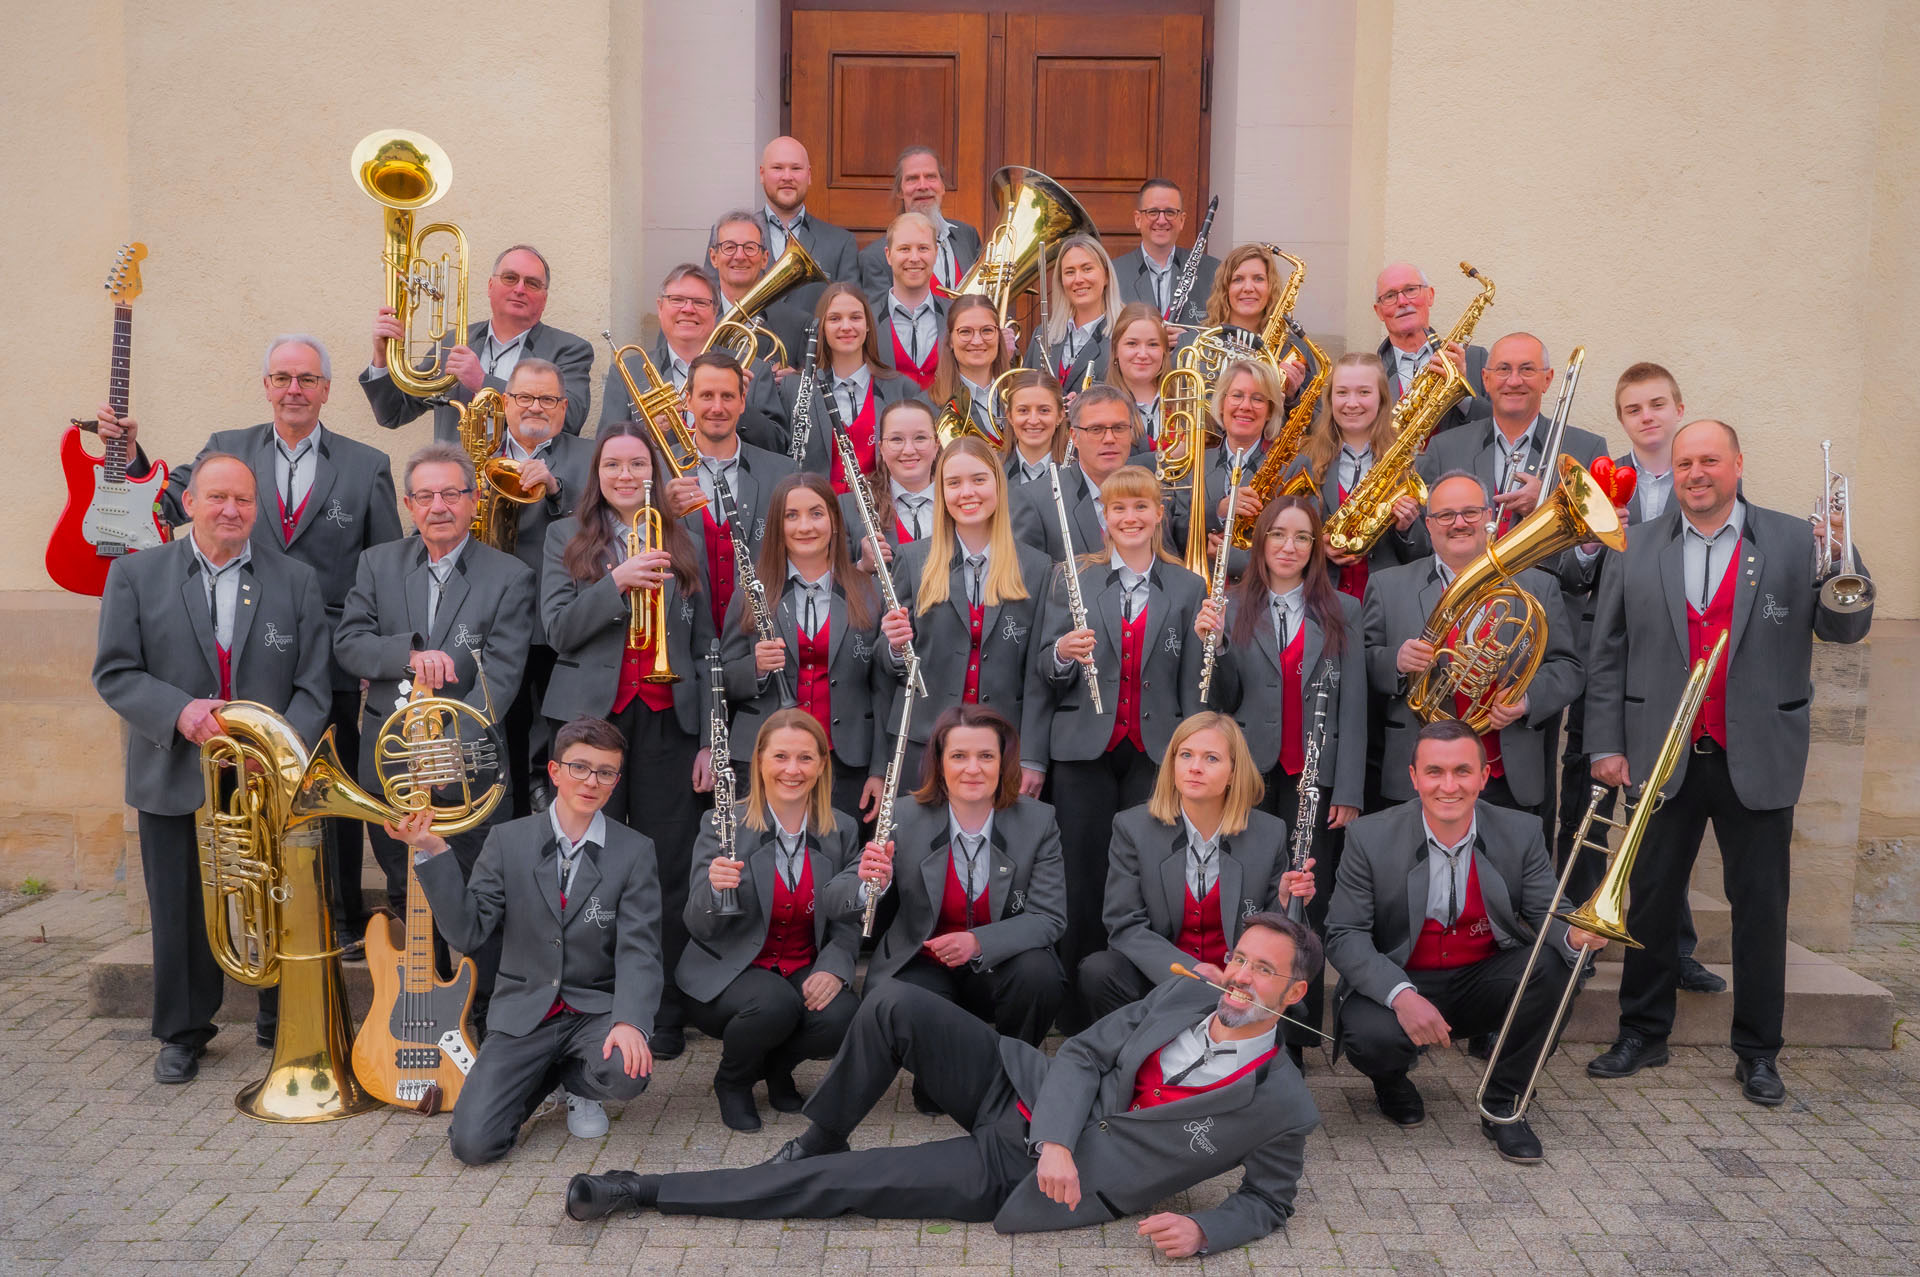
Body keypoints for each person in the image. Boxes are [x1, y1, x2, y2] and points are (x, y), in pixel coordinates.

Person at [566, 914, 1324, 1263]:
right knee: (894, 1001)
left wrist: (1204, 1233)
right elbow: (1086, 1053)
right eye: (1238, 957)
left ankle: (644, 1189)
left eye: (1261, 969)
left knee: (839, 1185)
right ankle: (825, 1123)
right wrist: (1057, 1130)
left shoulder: (1284, 1103)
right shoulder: (1186, 993)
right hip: (1024, 1092)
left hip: (1034, 1175)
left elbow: (1270, 1199)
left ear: (1294, 989)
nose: (1238, 975)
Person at [1584, 419, 1873, 1105]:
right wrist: (1606, 744)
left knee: (1762, 908)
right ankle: (1642, 1033)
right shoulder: (1638, 540)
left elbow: (1846, 626)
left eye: (1710, 459)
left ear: (1738, 464)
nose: (1696, 473)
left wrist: (1842, 554)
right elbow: (1608, 652)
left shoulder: (1792, 539)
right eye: (1685, 462)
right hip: (1661, 753)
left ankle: (1758, 1051)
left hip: (1759, 754)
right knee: (1649, 901)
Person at [100, 334, 401, 953]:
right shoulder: (227, 449)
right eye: (283, 377)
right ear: (266, 385)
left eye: (308, 379)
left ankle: (339, 916)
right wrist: (131, 458)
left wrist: (377, 649)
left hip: (327, 660)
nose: (295, 389)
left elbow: (383, 564)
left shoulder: (366, 463)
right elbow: (165, 498)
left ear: (325, 390)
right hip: (236, 653)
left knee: (326, 794)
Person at [92, 455, 332, 1081]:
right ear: (190, 502)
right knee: (178, 908)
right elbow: (115, 673)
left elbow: (314, 687)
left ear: (257, 508)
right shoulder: (136, 575)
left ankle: (281, 1020)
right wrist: (180, 712)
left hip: (266, 776)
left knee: (276, 895)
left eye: (244, 501)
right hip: (174, 767)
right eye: (218, 498)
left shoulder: (297, 580)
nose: (231, 511)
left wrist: (277, 752)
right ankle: (182, 1031)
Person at [1326, 719, 1608, 1163]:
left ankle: (1504, 1103)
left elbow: (1545, 909)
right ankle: (1392, 1081)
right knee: (1369, 1036)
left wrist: (1574, 934)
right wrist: (1401, 996)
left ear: (1484, 774)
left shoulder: (1521, 830)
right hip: (1403, 977)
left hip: (1483, 978)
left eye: (1462, 771)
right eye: (1434, 772)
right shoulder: (1369, 836)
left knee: (1553, 966)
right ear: (1414, 777)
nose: (1448, 785)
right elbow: (1344, 934)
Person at [384, 716, 661, 1162]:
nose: (591, 781)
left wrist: (630, 1021)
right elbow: (468, 931)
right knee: (474, 1146)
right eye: (580, 767)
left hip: (593, 1009)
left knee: (627, 1073)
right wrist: (433, 852)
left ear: (615, 781)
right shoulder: (507, 840)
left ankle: (577, 1081)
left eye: (605, 772)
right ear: (554, 772)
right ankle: (540, 1077)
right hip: (524, 1011)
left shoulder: (634, 850)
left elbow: (640, 949)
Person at [335, 442, 537, 1038]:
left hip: (466, 770)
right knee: (407, 887)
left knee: (476, 895)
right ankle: (426, 1013)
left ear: (474, 503)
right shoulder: (376, 563)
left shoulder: (511, 576)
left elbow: (501, 677)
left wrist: (445, 750)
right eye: (426, 495)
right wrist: (407, 654)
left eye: (452, 493)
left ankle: (484, 1018)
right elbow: (348, 644)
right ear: (408, 504)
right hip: (389, 769)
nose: (439, 506)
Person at [542, 421, 715, 1061]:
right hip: (594, 724)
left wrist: (705, 735)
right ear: (597, 474)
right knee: (589, 869)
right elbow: (557, 629)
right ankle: (591, 1007)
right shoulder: (567, 537)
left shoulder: (683, 536)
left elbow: (704, 642)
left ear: (655, 473)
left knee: (666, 868)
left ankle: (661, 1011)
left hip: (669, 716)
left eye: (637, 464)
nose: (625, 475)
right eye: (612, 464)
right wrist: (615, 583)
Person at [1026, 465, 1207, 1004]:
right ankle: (1075, 992)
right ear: (1103, 519)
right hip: (1083, 747)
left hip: (1156, 752)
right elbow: (1041, 670)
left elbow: (1195, 684)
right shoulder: (1069, 578)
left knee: (1145, 872)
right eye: (1117, 509)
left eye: (1140, 507)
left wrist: (1212, 647)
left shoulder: (1187, 585)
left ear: (1159, 516)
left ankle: (1130, 988)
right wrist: (1062, 653)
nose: (1129, 517)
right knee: (1082, 870)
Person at [1197, 497, 1367, 1051]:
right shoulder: (1230, 605)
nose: (1289, 547)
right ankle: (1237, 1016)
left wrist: (1349, 789)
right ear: (1260, 542)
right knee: (1249, 890)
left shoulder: (1342, 608)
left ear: (1316, 546)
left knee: (1304, 897)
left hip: (1314, 777)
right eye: (1277, 535)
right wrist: (1215, 646)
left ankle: (1295, 1030)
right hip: (1249, 772)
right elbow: (1216, 702)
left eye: (1301, 537)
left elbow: (1354, 704)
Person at [836, 705, 1068, 1049]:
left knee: (1040, 973)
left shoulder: (1038, 820)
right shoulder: (902, 815)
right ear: (939, 763)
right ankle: (936, 1072)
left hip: (998, 966)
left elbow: (1049, 918)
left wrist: (978, 942)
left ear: (1003, 763)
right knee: (932, 1088)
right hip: (922, 963)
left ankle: (1015, 1066)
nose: (973, 769)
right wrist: (868, 885)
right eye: (959, 756)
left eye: (986, 756)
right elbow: (835, 897)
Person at [1361, 471, 1582, 828]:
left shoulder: (1538, 585)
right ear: (1428, 525)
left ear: (1490, 519)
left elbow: (1568, 668)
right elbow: (1362, 663)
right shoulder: (1388, 586)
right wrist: (1396, 662)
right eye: (1446, 515)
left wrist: (1526, 700)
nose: (1458, 524)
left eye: (1471, 513)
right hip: (1417, 777)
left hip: (1507, 775)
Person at [680, 710, 862, 1131]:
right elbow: (697, 924)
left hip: (798, 964)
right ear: (759, 761)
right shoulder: (721, 823)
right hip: (729, 971)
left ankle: (777, 1068)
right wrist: (711, 889)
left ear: (821, 765)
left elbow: (845, 919)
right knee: (774, 1003)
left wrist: (835, 968)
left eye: (805, 758)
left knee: (842, 1015)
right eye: (780, 757)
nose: (792, 770)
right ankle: (733, 1081)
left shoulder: (842, 829)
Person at [1082, 713, 1312, 1021]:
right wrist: (1189, 971)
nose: (1194, 767)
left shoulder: (1269, 833)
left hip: (1239, 987)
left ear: (1233, 772)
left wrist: (1285, 903)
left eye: (1212, 758)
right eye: (1185, 754)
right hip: (1161, 979)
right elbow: (1124, 926)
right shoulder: (1132, 828)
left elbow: (1274, 938)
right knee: (1100, 971)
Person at [877, 436, 1055, 788]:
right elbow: (884, 666)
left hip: (1003, 744)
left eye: (978, 479)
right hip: (922, 742)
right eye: (953, 483)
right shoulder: (912, 561)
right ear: (940, 492)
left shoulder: (1037, 567)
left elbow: (1037, 674)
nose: (967, 492)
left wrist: (1032, 756)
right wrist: (894, 646)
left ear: (998, 485)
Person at [720, 472, 885, 823]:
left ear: (835, 522)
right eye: (790, 516)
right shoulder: (751, 590)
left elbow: (883, 687)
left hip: (846, 759)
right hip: (765, 761)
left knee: (837, 860)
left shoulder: (869, 591)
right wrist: (756, 668)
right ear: (777, 527)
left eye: (816, 513)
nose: (804, 526)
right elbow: (722, 679)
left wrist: (879, 768)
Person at [488, 358, 595, 816]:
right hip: (497, 623)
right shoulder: (479, 449)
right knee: (502, 738)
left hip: (566, 621)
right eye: (524, 397)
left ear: (564, 407)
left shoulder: (590, 456)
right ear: (505, 403)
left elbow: (602, 524)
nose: (536, 407)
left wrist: (557, 491)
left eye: (548, 399)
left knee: (566, 736)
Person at [361, 243, 594, 441]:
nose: (520, 289)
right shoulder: (452, 342)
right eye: (510, 278)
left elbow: (570, 419)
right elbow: (393, 413)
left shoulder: (569, 350)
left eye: (532, 283)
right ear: (490, 287)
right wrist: (382, 357)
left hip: (527, 488)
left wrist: (483, 382)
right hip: (456, 489)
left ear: (544, 297)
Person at [1416, 332, 1607, 540]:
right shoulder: (1445, 448)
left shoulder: (1587, 450)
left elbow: (1592, 555)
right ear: (1485, 380)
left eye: (1527, 370)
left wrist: (1549, 507)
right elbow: (1426, 543)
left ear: (1547, 379)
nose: (1514, 381)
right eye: (1503, 369)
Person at [662, 350, 799, 630]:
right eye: (706, 396)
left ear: (742, 403)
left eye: (727, 396)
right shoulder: (657, 470)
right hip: (679, 634)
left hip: (759, 637)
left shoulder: (783, 473)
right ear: (687, 401)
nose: (717, 407)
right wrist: (664, 513)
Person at [599, 264, 788, 453]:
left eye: (700, 302)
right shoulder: (626, 372)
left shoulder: (754, 369)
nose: (688, 309)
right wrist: (650, 433)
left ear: (715, 312)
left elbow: (778, 447)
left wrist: (738, 404)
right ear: (660, 307)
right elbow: (605, 452)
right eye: (677, 300)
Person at [1291, 351, 1422, 601]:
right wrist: (1318, 546)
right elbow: (1283, 532)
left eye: (1364, 392)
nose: (1352, 403)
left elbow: (1426, 551)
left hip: (1386, 605)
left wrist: (1407, 529)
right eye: (1342, 392)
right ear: (1329, 399)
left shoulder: (1410, 459)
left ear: (1382, 399)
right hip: (1318, 601)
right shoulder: (1303, 456)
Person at [781, 281, 921, 484]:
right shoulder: (795, 389)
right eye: (835, 318)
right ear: (822, 328)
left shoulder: (902, 389)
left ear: (867, 326)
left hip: (884, 511)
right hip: (821, 511)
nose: (846, 327)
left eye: (855, 317)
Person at [1010, 385, 1140, 562]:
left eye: (1119, 428)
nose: (1109, 439)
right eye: (1096, 429)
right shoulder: (1037, 500)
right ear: (1074, 437)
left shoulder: (1152, 491)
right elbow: (1028, 580)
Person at [1370, 261, 1486, 432]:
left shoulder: (1477, 359)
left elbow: (1500, 425)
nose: (1402, 301)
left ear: (1430, 295)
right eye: (1390, 296)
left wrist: (1460, 393)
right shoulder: (1367, 373)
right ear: (1378, 311)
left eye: (1410, 290)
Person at [857, 145, 983, 295]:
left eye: (931, 176)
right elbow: (881, 317)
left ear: (942, 187)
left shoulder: (967, 235)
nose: (923, 186)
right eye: (912, 179)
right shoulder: (874, 257)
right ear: (900, 191)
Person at [1196, 245, 1307, 400]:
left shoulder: (1294, 349)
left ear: (1271, 287)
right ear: (1225, 289)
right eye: (1238, 279)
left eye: (1258, 279)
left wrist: (1293, 395)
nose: (1248, 288)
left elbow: (1318, 418)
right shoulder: (1195, 345)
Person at [706, 208, 809, 370]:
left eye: (750, 247)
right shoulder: (690, 317)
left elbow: (811, 389)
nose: (739, 256)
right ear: (714, 257)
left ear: (764, 259)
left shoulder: (797, 324)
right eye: (729, 247)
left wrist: (792, 382)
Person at [848, 398, 940, 569]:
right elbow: (834, 584)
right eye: (897, 439)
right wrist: (863, 566)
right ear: (881, 448)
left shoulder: (959, 501)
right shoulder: (849, 506)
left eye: (920, 438)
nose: (909, 450)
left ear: (936, 444)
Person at [1112, 178, 1219, 324]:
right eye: (1153, 212)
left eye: (1170, 212)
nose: (1161, 220)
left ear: (1182, 220)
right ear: (1138, 219)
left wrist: (1184, 337)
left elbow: (1223, 329)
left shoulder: (1214, 271)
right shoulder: (1113, 273)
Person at [1022, 234, 1121, 390]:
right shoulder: (1042, 334)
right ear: (1061, 281)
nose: (1078, 279)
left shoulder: (1124, 335)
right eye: (1069, 272)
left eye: (1087, 269)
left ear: (1106, 275)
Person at [759, 135, 860, 285]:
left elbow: (848, 305)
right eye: (777, 168)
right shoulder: (729, 237)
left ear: (809, 175)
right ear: (762, 174)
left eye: (796, 168)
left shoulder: (841, 243)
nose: (787, 176)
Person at [868, 212, 949, 391]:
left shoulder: (955, 316)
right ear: (888, 255)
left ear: (935, 253)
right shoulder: (866, 319)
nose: (914, 258)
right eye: (904, 249)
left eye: (923, 248)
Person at [929, 294, 1012, 443]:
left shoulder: (1020, 396)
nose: (977, 341)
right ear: (950, 341)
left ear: (999, 337)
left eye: (987, 330)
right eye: (965, 332)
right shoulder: (928, 407)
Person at [1104, 302, 1173, 448]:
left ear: (1165, 351)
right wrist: (1170, 458)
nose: (1142, 354)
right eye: (1132, 343)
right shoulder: (1099, 406)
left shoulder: (1187, 403)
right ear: (1115, 350)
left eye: (1153, 344)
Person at [998, 368, 1068, 490]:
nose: (1033, 420)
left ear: (1060, 415)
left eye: (1044, 410)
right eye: (1023, 411)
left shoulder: (1079, 470)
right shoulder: (991, 469)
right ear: (1009, 416)